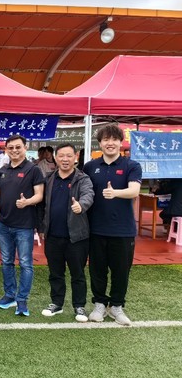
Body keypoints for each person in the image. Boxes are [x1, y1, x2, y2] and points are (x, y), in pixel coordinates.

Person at [83, 124, 141, 326]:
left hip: (123, 230)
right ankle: (99, 304)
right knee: (97, 270)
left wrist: (115, 193)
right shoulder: (90, 166)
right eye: (106, 139)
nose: (110, 143)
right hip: (96, 229)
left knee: (121, 271)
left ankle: (116, 306)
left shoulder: (131, 165)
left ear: (120, 142)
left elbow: (134, 191)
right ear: (100, 143)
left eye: (114, 139)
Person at [38, 143, 94, 322]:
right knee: (55, 273)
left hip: (76, 236)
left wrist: (81, 205)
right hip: (53, 235)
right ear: (55, 157)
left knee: (78, 273)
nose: (65, 159)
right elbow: (42, 206)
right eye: (61, 156)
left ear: (75, 157)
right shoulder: (49, 179)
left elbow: (88, 195)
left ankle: (79, 306)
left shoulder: (83, 179)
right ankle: (57, 303)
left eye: (69, 156)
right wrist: (41, 228)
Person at [0, 134, 44, 317]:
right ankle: (9, 295)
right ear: (6, 150)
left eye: (18, 147)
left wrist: (27, 202)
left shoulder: (34, 170)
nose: (14, 150)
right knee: (6, 261)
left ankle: (22, 299)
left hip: (24, 225)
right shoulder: (3, 170)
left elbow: (39, 195)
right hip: (4, 224)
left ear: (25, 148)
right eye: (11, 148)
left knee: (25, 263)